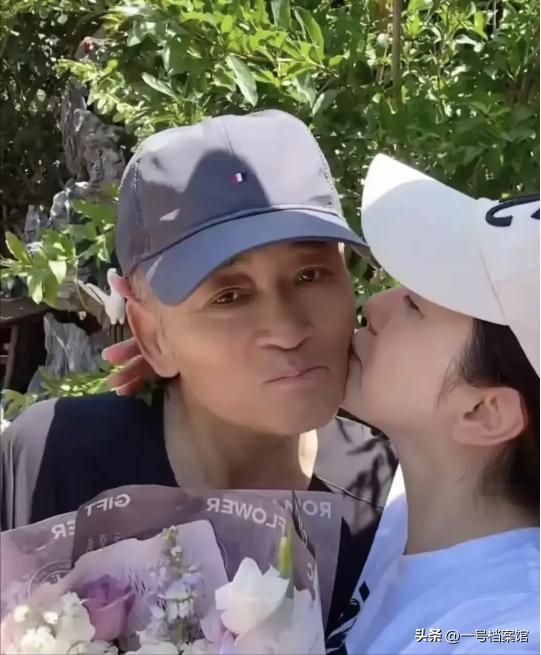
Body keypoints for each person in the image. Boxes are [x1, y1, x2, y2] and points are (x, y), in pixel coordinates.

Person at [0, 110, 397, 633]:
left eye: (309, 274)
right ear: (152, 335)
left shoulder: (390, 505)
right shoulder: (54, 463)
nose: (287, 329)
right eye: (229, 296)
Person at [326, 155, 539, 653]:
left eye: (414, 306)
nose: (373, 305)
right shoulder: (411, 512)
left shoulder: (505, 632)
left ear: (484, 413)